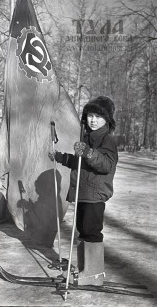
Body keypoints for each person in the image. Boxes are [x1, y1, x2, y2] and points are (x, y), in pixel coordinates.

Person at [48, 96, 118, 286]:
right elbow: (80, 163)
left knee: (92, 231)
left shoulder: (107, 140)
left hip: (95, 195)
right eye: (90, 115)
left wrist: (88, 152)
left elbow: (105, 165)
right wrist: (61, 157)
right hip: (82, 192)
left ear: (107, 119)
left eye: (98, 116)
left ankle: (94, 275)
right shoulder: (86, 138)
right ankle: (84, 269)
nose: (93, 120)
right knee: (83, 230)